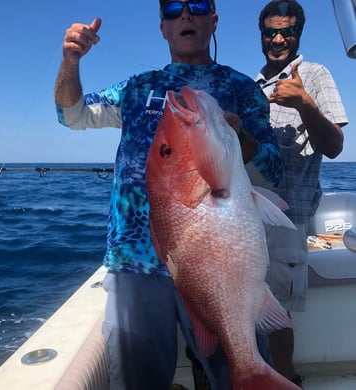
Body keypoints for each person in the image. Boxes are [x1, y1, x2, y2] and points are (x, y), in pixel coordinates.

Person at [55, 1, 283, 388]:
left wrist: (237, 137)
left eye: (197, 6)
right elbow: (71, 114)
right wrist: (71, 62)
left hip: (219, 257)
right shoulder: (136, 86)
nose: (185, 15)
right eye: (174, 9)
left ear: (213, 21)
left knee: (234, 371)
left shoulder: (241, 88)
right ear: (163, 27)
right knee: (138, 381)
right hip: (136, 263)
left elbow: (274, 169)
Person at [255, 0, 348, 387]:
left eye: (287, 32)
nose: (278, 39)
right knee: (249, 304)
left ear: (298, 35)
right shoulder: (251, 85)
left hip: (289, 215)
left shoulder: (315, 74)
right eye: (271, 32)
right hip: (248, 214)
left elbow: (335, 145)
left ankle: (283, 380)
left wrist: (304, 102)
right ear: (261, 35)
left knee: (277, 312)